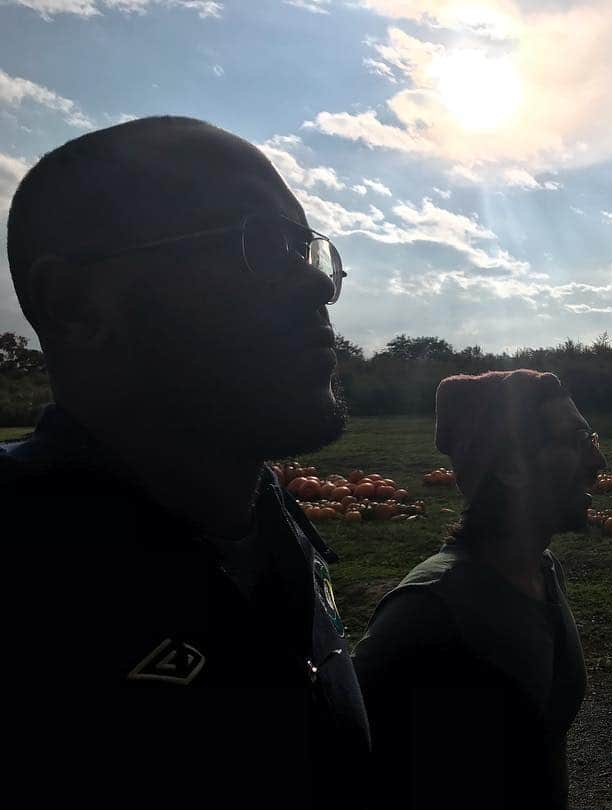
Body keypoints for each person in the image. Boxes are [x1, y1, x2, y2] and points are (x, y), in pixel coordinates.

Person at [0, 116, 368, 805]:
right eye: (259, 243)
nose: (317, 288)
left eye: (308, 250)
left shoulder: (274, 530)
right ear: (77, 305)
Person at [352, 369, 606, 808]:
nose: (597, 462)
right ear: (510, 469)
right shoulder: (427, 612)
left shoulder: (542, 572)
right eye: (573, 441)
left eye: (591, 439)